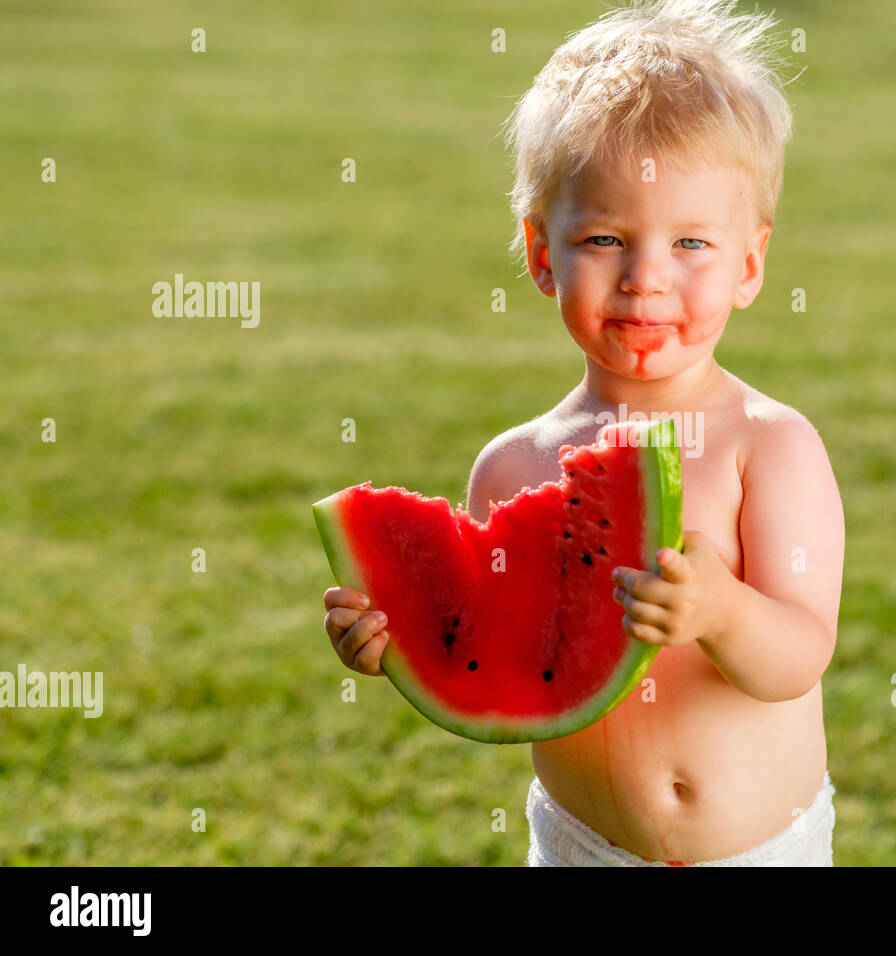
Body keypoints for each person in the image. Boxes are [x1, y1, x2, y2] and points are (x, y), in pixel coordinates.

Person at [324, 0, 844, 866]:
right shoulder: (514, 466)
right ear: (539, 253)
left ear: (749, 265)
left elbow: (799, 656)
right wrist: (399, 637)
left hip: (761, 852)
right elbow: (498, 659)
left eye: (690, 243)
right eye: (605, 238)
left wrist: (722, 611)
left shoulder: (773, 446)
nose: (646, 280)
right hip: (577, 848)